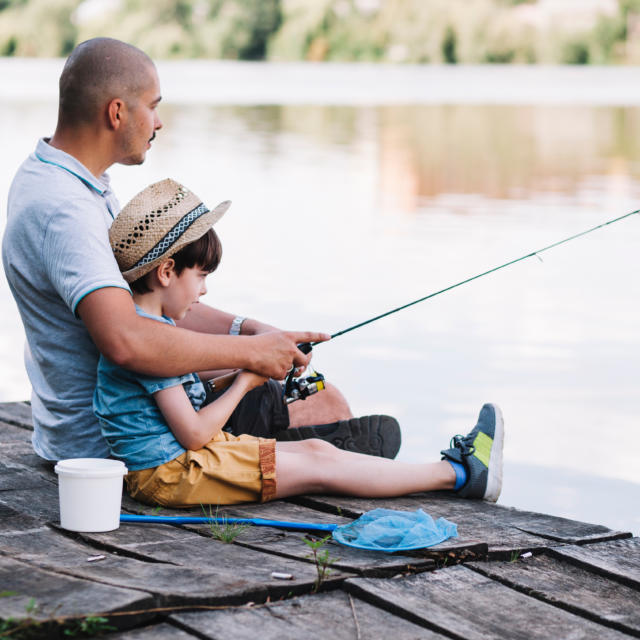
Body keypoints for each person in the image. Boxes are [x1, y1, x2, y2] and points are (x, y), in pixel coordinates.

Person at [2, 37, 399, 464]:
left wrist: (254, 332)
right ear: (116, 112)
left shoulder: (69, 181)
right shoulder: (66, 209)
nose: (159, 122)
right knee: (323, 405)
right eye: (153, 106)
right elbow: (126, 340)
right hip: (119, 440)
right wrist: (252, 355)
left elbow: (147, 304)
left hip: (134, 410)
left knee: (301, 391)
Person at [94, 179, 504, 506]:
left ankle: (457, 472)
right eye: (201, 276)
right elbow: (194, 434)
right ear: (166, 272)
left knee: (315, 448)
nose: (203, 291)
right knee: (319, 466)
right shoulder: (154, 342)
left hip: (180, 464)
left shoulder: (151, 327)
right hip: (175, 474)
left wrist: (247, 368)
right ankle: (459, 474)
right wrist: (244, 383)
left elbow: (183, 408)